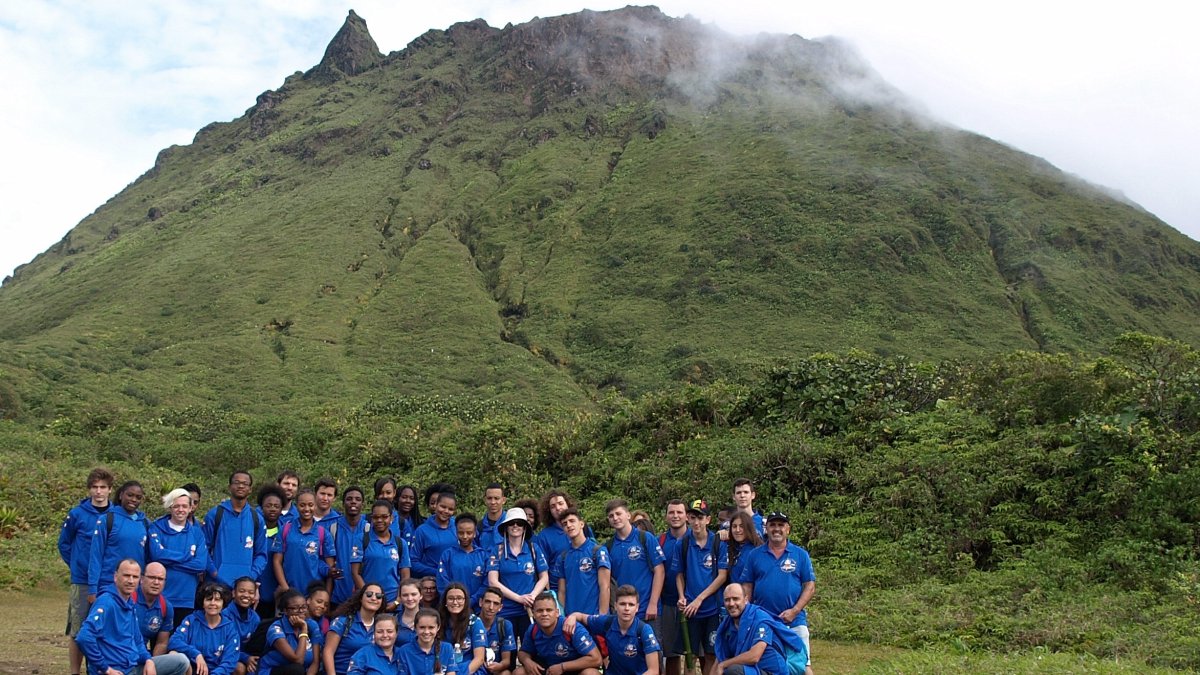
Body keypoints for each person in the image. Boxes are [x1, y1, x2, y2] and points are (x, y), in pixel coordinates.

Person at [75, 558, 191, 675]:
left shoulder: (129, 603)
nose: (131, 581)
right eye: (126, 576)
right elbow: (84, 637)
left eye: (134, 577)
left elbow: (138, 641)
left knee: (181, 661)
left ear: (139, 580)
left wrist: (148, 660)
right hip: (113, 670)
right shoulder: (106, 602)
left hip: (131, 667)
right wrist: (105, 668)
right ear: (115, 577)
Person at [738, 513, 815, 675]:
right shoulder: (755, 555)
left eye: (781, 525)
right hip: (764, 622)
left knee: (803, 666)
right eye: (773, 525)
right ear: (766, 528)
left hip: (795, 621)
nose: (777, 529)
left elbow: (810, 586)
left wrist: (794, 611)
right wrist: (748, 614)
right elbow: (747, 587)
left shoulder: (800, 555)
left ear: (788, 529)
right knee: (767, 666)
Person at [59, 466, 113, 675]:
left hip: (107, 579)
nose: (98, 492)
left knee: (104, 629)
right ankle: (75, 671)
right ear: (89, 489)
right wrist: (77, 565)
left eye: (103, 487)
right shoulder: (76, 514)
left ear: (110, 490)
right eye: (94, 487)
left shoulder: (115, 514)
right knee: (78, 628)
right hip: (81, 579)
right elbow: (64, 544)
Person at [674, 499, 728, 675]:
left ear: (708, 520)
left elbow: (722, 576)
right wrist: (682, 596)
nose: (696, 522)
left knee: (711, 655)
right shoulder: (682, 544)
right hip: (690, 610)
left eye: (700, 517)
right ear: (688, 519)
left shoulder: (718, 543)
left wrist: (700, 599)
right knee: (690, 657)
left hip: (712, 608)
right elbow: (679, 574)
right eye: (693, 517)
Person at [711, 583, 807, 675]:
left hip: (771, 671)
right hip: (749, 669)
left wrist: (724, 664)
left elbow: (754, 656)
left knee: (733, 670)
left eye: (736, 599)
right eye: (727, 600)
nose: (731, 604)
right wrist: (720, 666)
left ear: (746, 599)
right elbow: (720, 657)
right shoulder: (727, 625)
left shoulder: (760, 619)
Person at [564, 584, 661, 675]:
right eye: (622, 604)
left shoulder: (644, 630)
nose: (626, 608)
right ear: (615, 606)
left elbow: (653, 670)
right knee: (588, 673)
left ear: (637, 608)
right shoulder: (607, 622)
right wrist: (573, 617)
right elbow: (581, 616)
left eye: (631, 605)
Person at [486, 507, 548, 639]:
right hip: (506, 610)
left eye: (519, 523)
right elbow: (493, 581)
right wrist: (519, 598)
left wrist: (532, 596)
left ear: (525, 527)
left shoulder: (533, 549)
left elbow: (544, 577)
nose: (515, 526)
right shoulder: (497, 550)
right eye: (511, 523)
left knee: (531, 651)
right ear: (506, 527)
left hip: (530, 609)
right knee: (508, 653)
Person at [150, 487, 209, 626]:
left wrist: (169, 561)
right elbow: (157, 555)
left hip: (186, 599)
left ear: (190, 508)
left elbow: (200, 565)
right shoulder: (156, 528)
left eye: (184, 506)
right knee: (158, 641)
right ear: (170, 507)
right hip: (161, 596)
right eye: (176, 506)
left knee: (180, 644)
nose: (180, 509)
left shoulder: (197, 533)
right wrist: (187, 556)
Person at [203, 471, 268, 588]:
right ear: (229, 487)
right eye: (236, 482)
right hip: (216, 584)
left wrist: (251, 576)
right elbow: (203, 548)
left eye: (245, 483)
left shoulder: (257, 518)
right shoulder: (215, 514)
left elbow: (261, 554)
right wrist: (214, 572)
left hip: (245, 588)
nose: (241, 486)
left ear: (250, 489)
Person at [88, 480, 150, 601]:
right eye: (130, 495)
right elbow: (96, 555)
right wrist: (93, 588)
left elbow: (148, 556)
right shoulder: (108, 519)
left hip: (135, 588)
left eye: (138, 497)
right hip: (108, 585)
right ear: (121, 495)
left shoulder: (145, 523)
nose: (133, 499)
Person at [606, 499, 665, 621]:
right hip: (624, 613)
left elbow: (660, 571)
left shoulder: (645, 538)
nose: (615, 518)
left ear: (628, 515)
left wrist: (653, 604)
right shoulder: (608, 546)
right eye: (611, 516)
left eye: (618, 514)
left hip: (648, 610)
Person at [516, 592, 602, 675]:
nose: (544, 614)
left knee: (591, 673)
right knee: (519, 672)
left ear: (557, 613)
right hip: (548, 670)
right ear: (534, 614)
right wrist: (528, 662)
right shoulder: (533, 629)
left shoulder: (573, 628)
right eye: (539, 611)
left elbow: (596, 659)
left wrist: (562, 667)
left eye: (549, 610)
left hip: (574, 670)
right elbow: (523, 652)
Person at [272, 489, 336, 598]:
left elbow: (330, 570)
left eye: (310, 505)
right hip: (289, 593)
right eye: (302, 505)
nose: (306, 509)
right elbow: (277, 561)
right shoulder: (286, 529)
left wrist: (326, 597)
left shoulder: (323, 533)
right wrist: (285, 587)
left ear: (315, 506)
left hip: (313, 595)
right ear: (296, 506)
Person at [169, 581, 242, 675]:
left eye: (217, 600)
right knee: (173, 654)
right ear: (203, 603)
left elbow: (230, 661)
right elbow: (174, 641)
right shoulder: (191, 620)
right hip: (191, 669)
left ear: (223, 604)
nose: (212, 603)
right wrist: (196, 654)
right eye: (209, 599)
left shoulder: (230, 628)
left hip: (217, 672)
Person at [354, 499, 412, 611]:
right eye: (375, 517)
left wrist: (397, 601)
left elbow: (405, 576)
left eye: (384, 517)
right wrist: (369, 596)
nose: (380, 520)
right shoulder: (361, 539)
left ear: (391, 518)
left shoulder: (400, 543)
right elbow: (355, 573)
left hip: (393, 604)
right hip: (368, 603)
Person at [555, 509, 610, 617]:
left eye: (572, 521)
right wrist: (562, 617)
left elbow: (605, 586)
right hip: (571, 619)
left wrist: (602, 616)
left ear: (581, 524)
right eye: (565, 524)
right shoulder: (562, 557)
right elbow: (562, 591)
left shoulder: (598, 551)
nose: (569, 525)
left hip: (593, 616)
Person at [258, 588, 324, 675]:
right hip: (273, 671)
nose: (301, 611)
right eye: (295, 608)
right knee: (297, 669)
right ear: (285, 611)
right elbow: (298, 660)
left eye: (304, 607)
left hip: (302, 671)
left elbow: (315, 662)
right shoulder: (276, 629)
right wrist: (304, 629)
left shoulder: (312, 625)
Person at [324, 583, 386, 675]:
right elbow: (328, 652)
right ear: (361, 598)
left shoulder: (381, 626)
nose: (374, 598)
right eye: (369, 594)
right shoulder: (343, 622)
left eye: (378, 596)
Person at [658, 499, 689, 675]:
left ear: (686, 516)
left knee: (697, 653)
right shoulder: (659, 541)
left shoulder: (696, 537)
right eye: (671, 512)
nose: (675, 516)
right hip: (668, 602)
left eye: (679, 512)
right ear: (666, 516)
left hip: (693, 604)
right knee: (671, 654)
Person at [329, 486, 369, 608]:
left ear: (363, 503)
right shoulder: (333, 528)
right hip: (338, 594)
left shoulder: (368, 529)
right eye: (349, 499)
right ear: (343, 503)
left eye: (357, 499)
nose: (353, 502)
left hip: (363, 594)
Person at [438, 513, 488, 608]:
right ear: (456, 533)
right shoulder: (447, 554)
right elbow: (442, 581)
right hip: (453, 607)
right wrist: (455, 600)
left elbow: (486, 583)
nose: (465, 536)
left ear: (475, 533)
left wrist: (472, 601)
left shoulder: (483, 555)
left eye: (469, 533)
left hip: (477, 608)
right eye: (461, 533)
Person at [440, 582, 487, 675]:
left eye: (459, 598)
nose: (455, 602)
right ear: (445, 601)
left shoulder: (474, 622)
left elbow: (479, 659)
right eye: (450, 598)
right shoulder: (438, 621)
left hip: (469, 669)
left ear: (465, 601)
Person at [256, 484, 287, 620]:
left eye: (276, 506)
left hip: (276, 593)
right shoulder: (253, 529)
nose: (272, 509)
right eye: (269, 505)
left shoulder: (286, 532)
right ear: (262, 507)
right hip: (254, 591)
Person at [397, 608, 460, 674]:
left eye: (431, 627)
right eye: (422, 627)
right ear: (415, 627)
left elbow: (451, 672)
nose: (426, 632)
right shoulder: (404, 651)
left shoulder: (447, 648)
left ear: (438, 627)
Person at [412, 492, 459, 578]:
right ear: (436, 505)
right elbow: (413, 562)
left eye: (450, 509)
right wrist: (437, 571)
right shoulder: (422, 530)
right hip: (433, 581)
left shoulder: (458, 526)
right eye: (443, 507)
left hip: (458, 579)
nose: (446, 511)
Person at [222, 576, 262, 675]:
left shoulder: (255, 617)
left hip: (245, 656)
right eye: (242, 591)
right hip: (224, 655)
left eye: (251, 592)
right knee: (240, 669)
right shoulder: (224, 615)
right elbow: (224, 646)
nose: (246, 595)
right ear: (233, 593)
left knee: (256, 668)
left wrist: (251, 659)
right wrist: (245, 658)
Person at [134, 561, 175, 655]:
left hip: (145, 659)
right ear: (142, 578)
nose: (156, 582)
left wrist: (152, 663)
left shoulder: (166, 607)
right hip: (120, 657)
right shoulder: (129, 598)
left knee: (181, 661)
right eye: (152, 577)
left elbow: (162, 643)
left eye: (160, 579)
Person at [477, 587, 515, 675]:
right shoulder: (470, 623)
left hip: (495, 670)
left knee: (506, 673)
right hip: (475, 669)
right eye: (487, 602)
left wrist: (499, 666)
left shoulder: (505, 625)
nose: (491, 607)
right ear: (480, 602)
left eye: (496, 604)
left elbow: (506, 660)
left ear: (500, 607)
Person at [725, 513, 762, 588]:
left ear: (748, 528)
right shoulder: (729, 548)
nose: (737, 530)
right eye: (734, 526)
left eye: (742, 526)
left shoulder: (758, 550)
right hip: (733, 596)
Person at [478, 484, 508, 554]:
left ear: (503, 500)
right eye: (489, 498)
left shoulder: (511, 525)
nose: (493, 502)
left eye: (496, 498)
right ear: (485, 500)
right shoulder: (479, 527)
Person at [395, 578, 424, 647]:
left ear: (421, 595)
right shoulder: (394, 620)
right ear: (400, 597)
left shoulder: (431, 618)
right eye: (405, 595)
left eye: (413, 594)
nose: (410, 598)